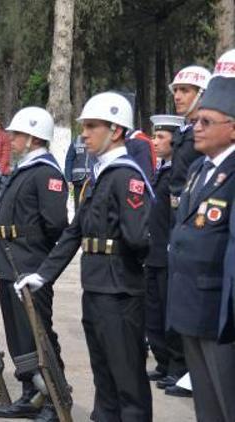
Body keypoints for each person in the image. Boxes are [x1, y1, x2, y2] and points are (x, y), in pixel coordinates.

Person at [16, 92, 153, 421]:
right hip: (96, 287)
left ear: (116, 130)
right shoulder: (99, 176)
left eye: (92, 127)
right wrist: (43, 274)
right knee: (103, 377)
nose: (85, 134)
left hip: (120, 291)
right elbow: (74, 232)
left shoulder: (127, 177)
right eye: (84, 127)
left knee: (127, 382)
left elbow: (139, 239)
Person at [0, 107, 68, 420]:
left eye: (16, 134)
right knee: (18, 334)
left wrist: (34, 253)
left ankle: (55, 396)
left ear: (32, 138)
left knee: (38, 332)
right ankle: (32, 392)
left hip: (30, 263)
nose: (11, 138)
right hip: (10, 264)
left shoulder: (47, 173)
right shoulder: (23, 169)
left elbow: (56, 223)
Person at [167, 49, 235, 422]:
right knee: (207, 408)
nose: (198, 126)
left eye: (208, 121)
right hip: (191, 306)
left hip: (220, 314)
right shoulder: (198, 168)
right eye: (198, 120)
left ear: (233, 128)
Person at [145, 114, 189, 397]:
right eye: (155, 135)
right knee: (154, 314)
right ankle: (163, 362)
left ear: (176, 140)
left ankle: (178, 368)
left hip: (169, 254)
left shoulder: (180, 174)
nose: (155, 141)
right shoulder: (160, 170)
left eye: (161, 137)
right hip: (153, 253)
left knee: (170, 315)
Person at [168, 65, 212, 213]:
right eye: (175, 90)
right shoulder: (183, 130)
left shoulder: (211, 131)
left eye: (185, 90)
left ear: (203, 94)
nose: (177, 96)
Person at [64, 135, 92, 211]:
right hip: (77, 180)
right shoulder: (76, 140)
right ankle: (78, 221)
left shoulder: (98, 139)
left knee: (88, 206)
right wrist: (68, 179)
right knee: (78, 207)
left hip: (90, 180)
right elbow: (69, 159)